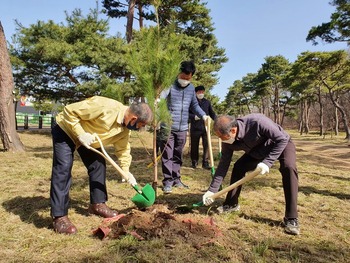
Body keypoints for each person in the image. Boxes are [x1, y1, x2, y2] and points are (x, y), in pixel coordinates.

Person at [50, 96, 153, 234]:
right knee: (63, 168)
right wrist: (81, 133)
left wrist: (126, 170)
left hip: (89, 139)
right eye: (140, 126)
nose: (139, 129)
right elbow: (69, 111)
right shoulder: (105, 107)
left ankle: (97, 204)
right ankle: (59, 217)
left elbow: (123, 150)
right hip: (66, 128)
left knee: (98, 165)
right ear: (134, 119)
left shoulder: (124, 129)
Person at [202, 114, 300, 235]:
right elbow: (223, 164)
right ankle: (231, 204)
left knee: (289, 168)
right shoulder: (228, 141)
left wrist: (267, 162)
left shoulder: (257, 122)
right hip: (257, 151)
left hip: (281, 144)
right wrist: (212, 190)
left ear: (233, 130)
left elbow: (282, 139)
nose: (222, 140)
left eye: (222, 137)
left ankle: (291, 218)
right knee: (239, 167)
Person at [159, 61, 209, 194]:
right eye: (183, 77)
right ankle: (167, 181)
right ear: (178, 73)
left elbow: (194, 106)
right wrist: (157, 101)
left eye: (188, 78)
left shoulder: (191, 88)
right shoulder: (170, 84)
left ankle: (176, 179)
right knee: (167, 155)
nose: (185, 80)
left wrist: (203, 115)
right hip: (168, 126)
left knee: (178, 155)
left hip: (182, 128)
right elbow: (162, 97)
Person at [189, 85, 217, 169]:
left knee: (207, 145)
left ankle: (205, 162)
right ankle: (194, 162)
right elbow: (187, 113)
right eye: (199, 92)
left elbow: (211, 113)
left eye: (202, 92)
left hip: (205, 128)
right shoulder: (192, 102)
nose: (201, 93)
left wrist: (217, 120)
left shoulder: (207, 102)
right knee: (194, 146)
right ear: (195, 93)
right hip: (195, 128)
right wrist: (194, 116)